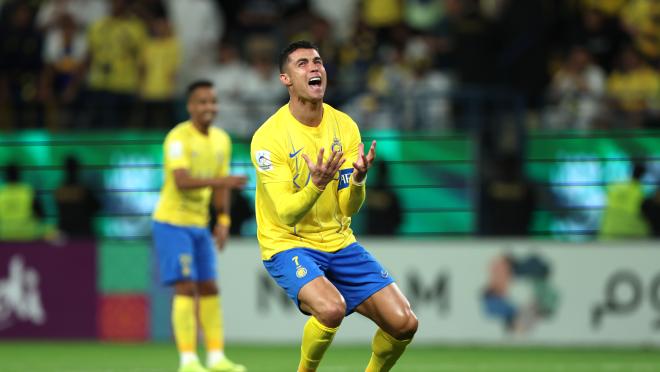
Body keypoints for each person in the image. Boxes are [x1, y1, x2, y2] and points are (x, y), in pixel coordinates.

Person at [250, 40, 418, 372]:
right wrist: (316, 184)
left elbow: (349, 207)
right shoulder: (269, 138)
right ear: (286, 79)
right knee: (330, 309)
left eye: (318, 62)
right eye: (302, 64)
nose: (314, 68)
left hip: (339, 242)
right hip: (288, 243)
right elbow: (285, 212)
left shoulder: (345, 126)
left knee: (404, 323)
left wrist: (356, 180)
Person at [152, 80, 247, 372]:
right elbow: (182, 181)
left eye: (213, 102)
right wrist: (223, 182)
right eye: (203, 102)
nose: (209, 107)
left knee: (209, 287)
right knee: (184, 287)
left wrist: (223, 219)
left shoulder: (221, 140)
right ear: (190, 106)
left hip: (199, 225)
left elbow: (221, 188)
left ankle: (216, 357)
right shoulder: (177, 138)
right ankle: (188, 359)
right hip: (172, 223)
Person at [599, 162, 650, 239]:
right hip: (628, 233)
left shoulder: (616, 186)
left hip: (609, 231)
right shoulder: (639, 191)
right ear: (643, 175)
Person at [54, 155, 100, 238]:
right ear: (78, 169)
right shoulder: (83, 189)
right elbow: (96, 207)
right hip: (83, 234)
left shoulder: (60, 190)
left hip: (66, 234)